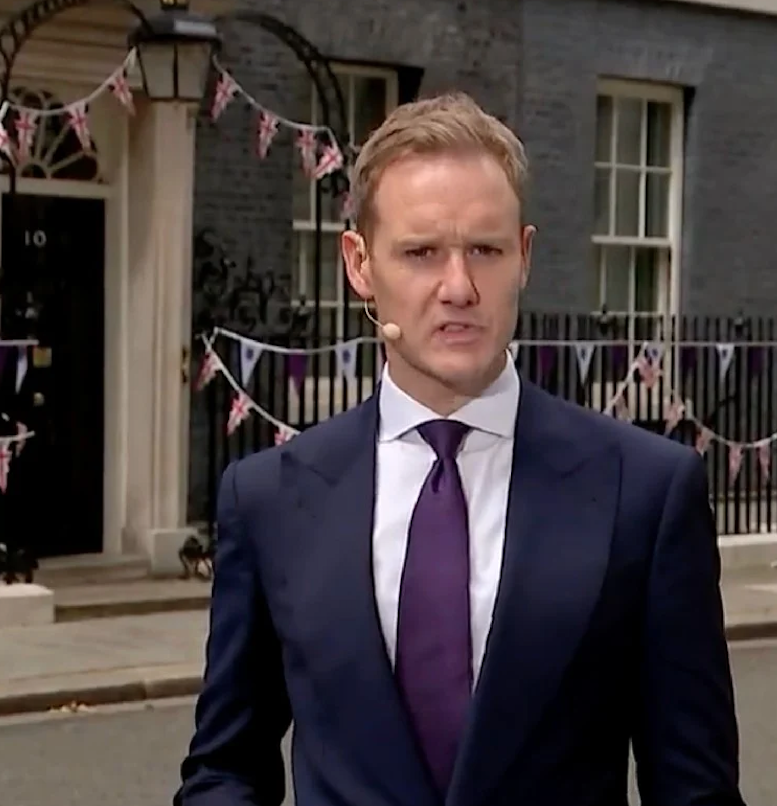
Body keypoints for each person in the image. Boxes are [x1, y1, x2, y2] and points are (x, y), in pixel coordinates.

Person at [176, 91, 746, 806]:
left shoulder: (647, 492)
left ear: (525, 256)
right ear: (359, 265)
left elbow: (693, 788)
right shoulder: (268, 498)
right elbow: (226, 768)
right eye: (421, 253)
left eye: (485, 249)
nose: (459, 287)